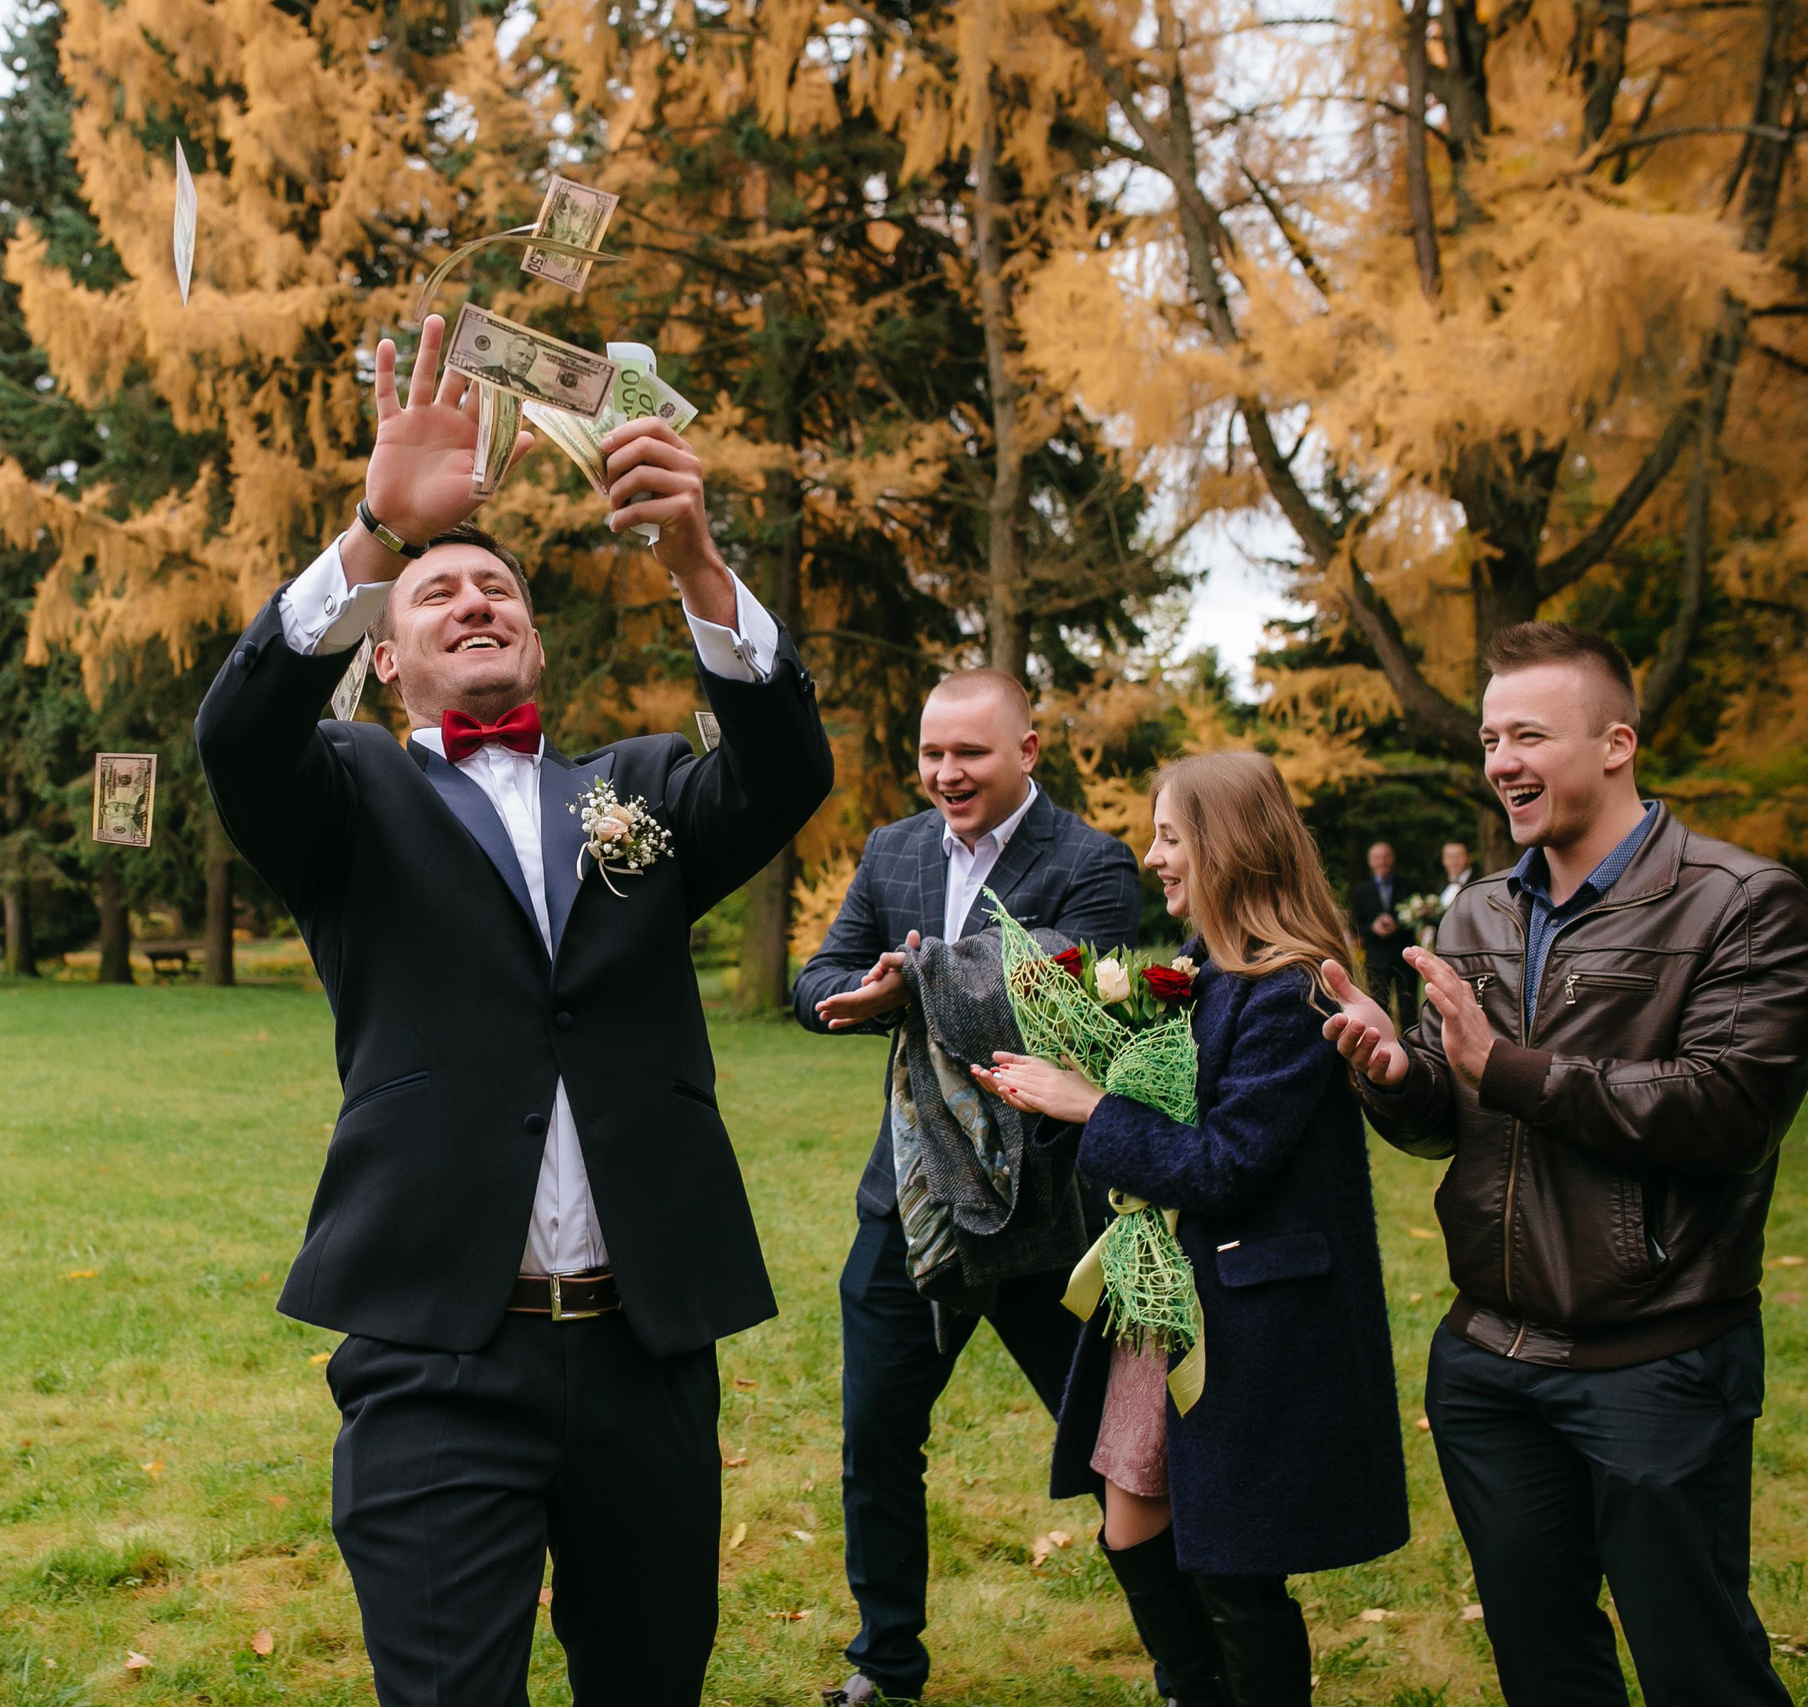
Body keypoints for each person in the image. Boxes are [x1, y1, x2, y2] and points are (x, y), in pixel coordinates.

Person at [194, 311, 831, 1705]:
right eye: (440, 593)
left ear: (535, 643)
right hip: (437, 1351)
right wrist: (379, 532)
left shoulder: (638, 789)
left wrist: (696, 558)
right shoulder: (345, 796)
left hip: (646, 1348)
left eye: (499, 589)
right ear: (385, 657)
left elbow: (786, 771)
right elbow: (236, 735)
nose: (476, 600)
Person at [1323, 622, 1808, 1707]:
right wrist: (1396, 1071)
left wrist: (1507, 1068)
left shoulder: (1740, 901)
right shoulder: (1477, 909)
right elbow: (1453, 1115)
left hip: (1656, 1362)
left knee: (1700, 1671)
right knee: (1544, 1671)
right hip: (1489, 1365)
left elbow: (1730, 1110)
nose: (1501, 760)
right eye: (1491, 738)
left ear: (1615, 744)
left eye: (1529, 735)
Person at [980, 749, 1407, 1707]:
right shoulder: (1198, 971)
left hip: (1251, 1317)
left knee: (1232, 1561)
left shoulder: (1291, 989)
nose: (1152, 856)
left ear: (1230, 847)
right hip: (1166, 1298)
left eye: (1171, 836)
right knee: (1130, 1520)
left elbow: (1227, 1165)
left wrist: (1093, 1105)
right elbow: (1164, 1118)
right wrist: (1062, 1086)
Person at [789, 672, 1141, 1705]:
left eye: (970, 754)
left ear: (1027, 751)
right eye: (932, 754)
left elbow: (1059, 990)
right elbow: (816, 976)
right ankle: (884, 1665)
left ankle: (1189, 1663)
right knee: (876, 1437)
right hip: (910, 1204)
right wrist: (857, 995)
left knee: (1118, 1446)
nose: (946, 773)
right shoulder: (893, 850)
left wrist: (921, 981)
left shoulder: (1092, 862)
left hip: (1051, 1209)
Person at [1347, 841, 1416, 1022]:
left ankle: (1411, 1039)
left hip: (1404, 956)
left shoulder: (1408, 886)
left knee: (1408, 1007)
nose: (1382, 862)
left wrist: (1398, 925)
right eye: (1377, 858)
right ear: (1370, 862)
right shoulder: (1361, 891)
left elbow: (1417, 920)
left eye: (1386, 857)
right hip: (1376, 958)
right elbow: (1354, 925)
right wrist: (1372, 927)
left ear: (1392, 859)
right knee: (1379, 1008)